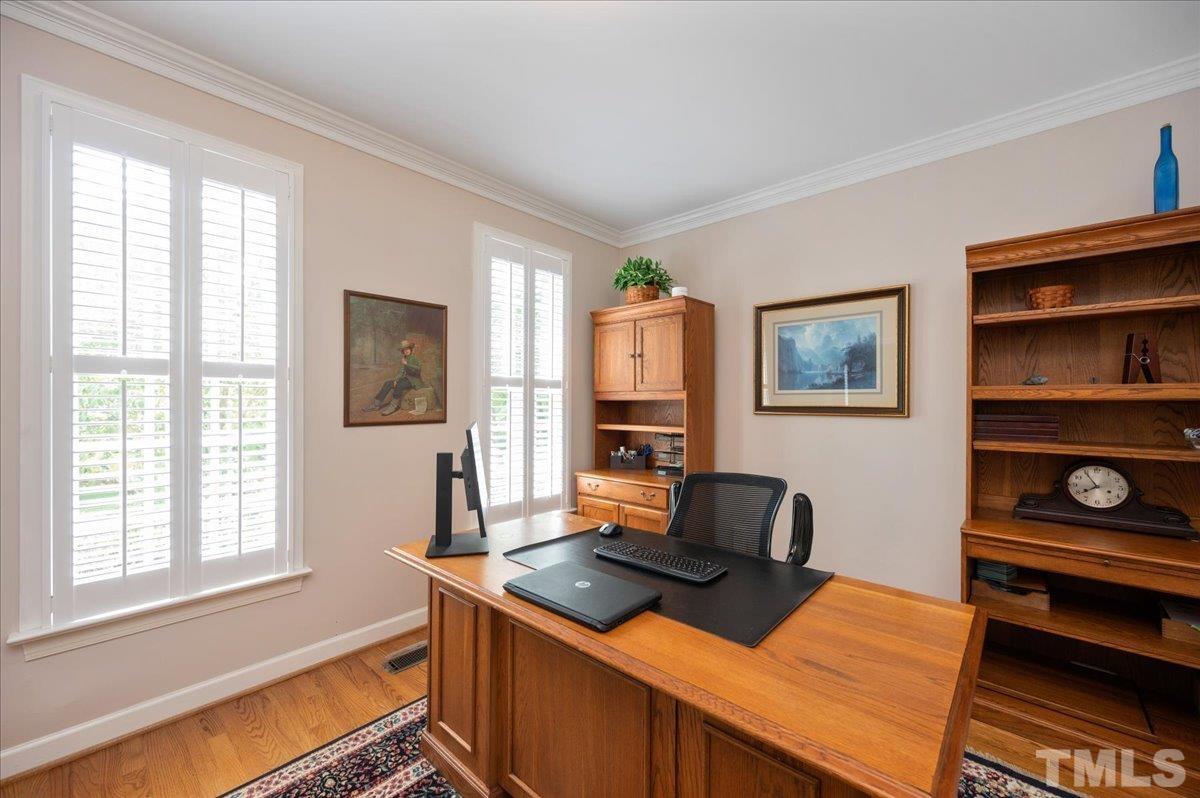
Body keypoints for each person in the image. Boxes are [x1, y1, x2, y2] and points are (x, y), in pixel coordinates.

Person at [362, 339, 425, 415]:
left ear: (410, 349)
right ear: (402, 351)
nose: (406, 351)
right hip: (405, 379)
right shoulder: (404, 359)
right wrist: (396, 380)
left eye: (407, 349)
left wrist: (407, 364)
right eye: (404, 350)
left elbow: (418, 369)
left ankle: (393, 406)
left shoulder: (414, 358)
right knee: (388, 383)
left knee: (399, 385)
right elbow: (401, 372)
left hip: (414, 380)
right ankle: (376, 405)